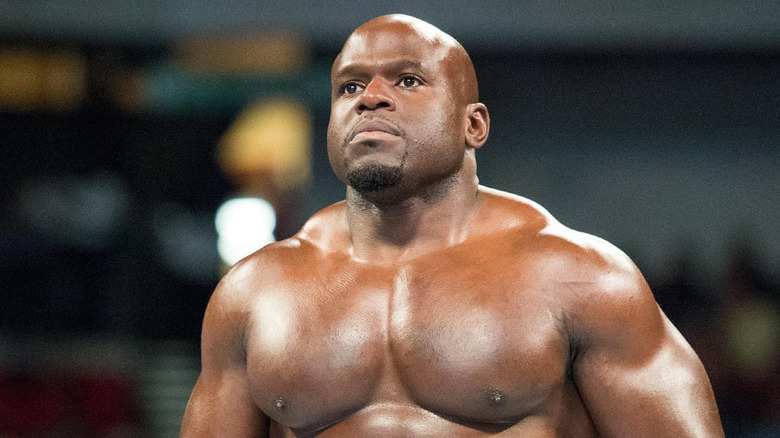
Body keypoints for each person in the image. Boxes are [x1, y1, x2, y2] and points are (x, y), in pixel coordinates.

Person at [181, 14, 724, 437]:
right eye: (349, 87)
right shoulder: (254, 292)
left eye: (408, 80)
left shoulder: (580, 278)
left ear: (474, 125)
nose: (370, 97)